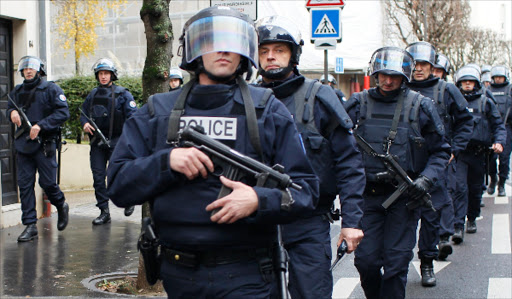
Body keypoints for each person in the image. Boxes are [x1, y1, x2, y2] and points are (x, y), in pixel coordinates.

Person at [106, 6, 319, 298]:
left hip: (249, 275)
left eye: (232, 42)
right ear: (193, 50)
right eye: (211, 41)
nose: (223, 50)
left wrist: (258, 200)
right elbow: (118, 186)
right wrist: (166, 162)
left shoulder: (267, 111)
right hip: (179, 275)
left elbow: (305, 192)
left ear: (244, 50)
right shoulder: (158, 112)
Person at [255, 15, 365, 299]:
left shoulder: (319, 98)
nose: (271, 57)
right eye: (264, 51)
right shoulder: (243, 99)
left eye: (279, 50)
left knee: (312, 293)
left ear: (293, 54)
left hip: (308, 220)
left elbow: (349, 163)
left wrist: (351, 222)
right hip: (255, 221)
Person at [344, 47, 450, 299]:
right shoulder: (358, 104)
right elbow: (338, 146)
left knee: (396, 265)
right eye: (383, 75)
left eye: (394, 76)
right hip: (367, 197)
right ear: (375, 74)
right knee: (366, 262)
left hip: (404, 200)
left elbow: (441, 151)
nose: (388, 81)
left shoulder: (421, 106)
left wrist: (425, 180)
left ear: (405, 76)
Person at [405, 42, 473, 286]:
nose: (419, 69)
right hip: (403, 165)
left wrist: (454, 149)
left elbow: (466, 121)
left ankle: (426, 262)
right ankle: (399, 263)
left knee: (431, 217)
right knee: (401, 218)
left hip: (435, 164)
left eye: (424, 64)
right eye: (414, 64)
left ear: (432, 66)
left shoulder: (446, 89)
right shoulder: (399, 88)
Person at [7, 56, 70, 242]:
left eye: (32, 68)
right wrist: (12, 112)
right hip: (24, 146)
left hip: (44, 145)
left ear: (39, 70)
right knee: (25, 185)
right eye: (25, 69)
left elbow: (62, 112)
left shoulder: (51, 89)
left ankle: (61, 204)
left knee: (48, 183)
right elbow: (9, 106)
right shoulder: (17, 91)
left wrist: (41, 125)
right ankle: (30, 225)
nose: (28, 71)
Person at [452, 65, 506, 243]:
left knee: (475, 190)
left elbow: (498, 124)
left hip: (479, 153)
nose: (467, 84)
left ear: (475, 83)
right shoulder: (454, 101)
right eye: (464, 81)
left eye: (471, 81)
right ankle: (458, 226)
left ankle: (472, 218)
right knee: (459, 189)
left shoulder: (485, 102)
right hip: (460, 153)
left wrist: (499, 142)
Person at [80, 58, 137, 225]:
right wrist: (85, 123)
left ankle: (128, 200)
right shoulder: (93, 94)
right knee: (98, 178)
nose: (103, 77)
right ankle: (104, 211)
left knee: (118, 175)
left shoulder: (123, 94)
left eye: (106, 73)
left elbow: (133, 118)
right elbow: (83, 113)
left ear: (112, 75)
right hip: (98, 143)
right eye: (100, 74)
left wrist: (127, 140)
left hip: (117, 142)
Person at [487, 65, 512, 197]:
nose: (498, 79)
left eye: (500, 77)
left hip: (506, 127)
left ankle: (501, 184)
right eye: (496, 77)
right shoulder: (488, 90)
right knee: (490, 158)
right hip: (491, 128)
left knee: (504, 158)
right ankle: (493, 179)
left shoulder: (510, 89)